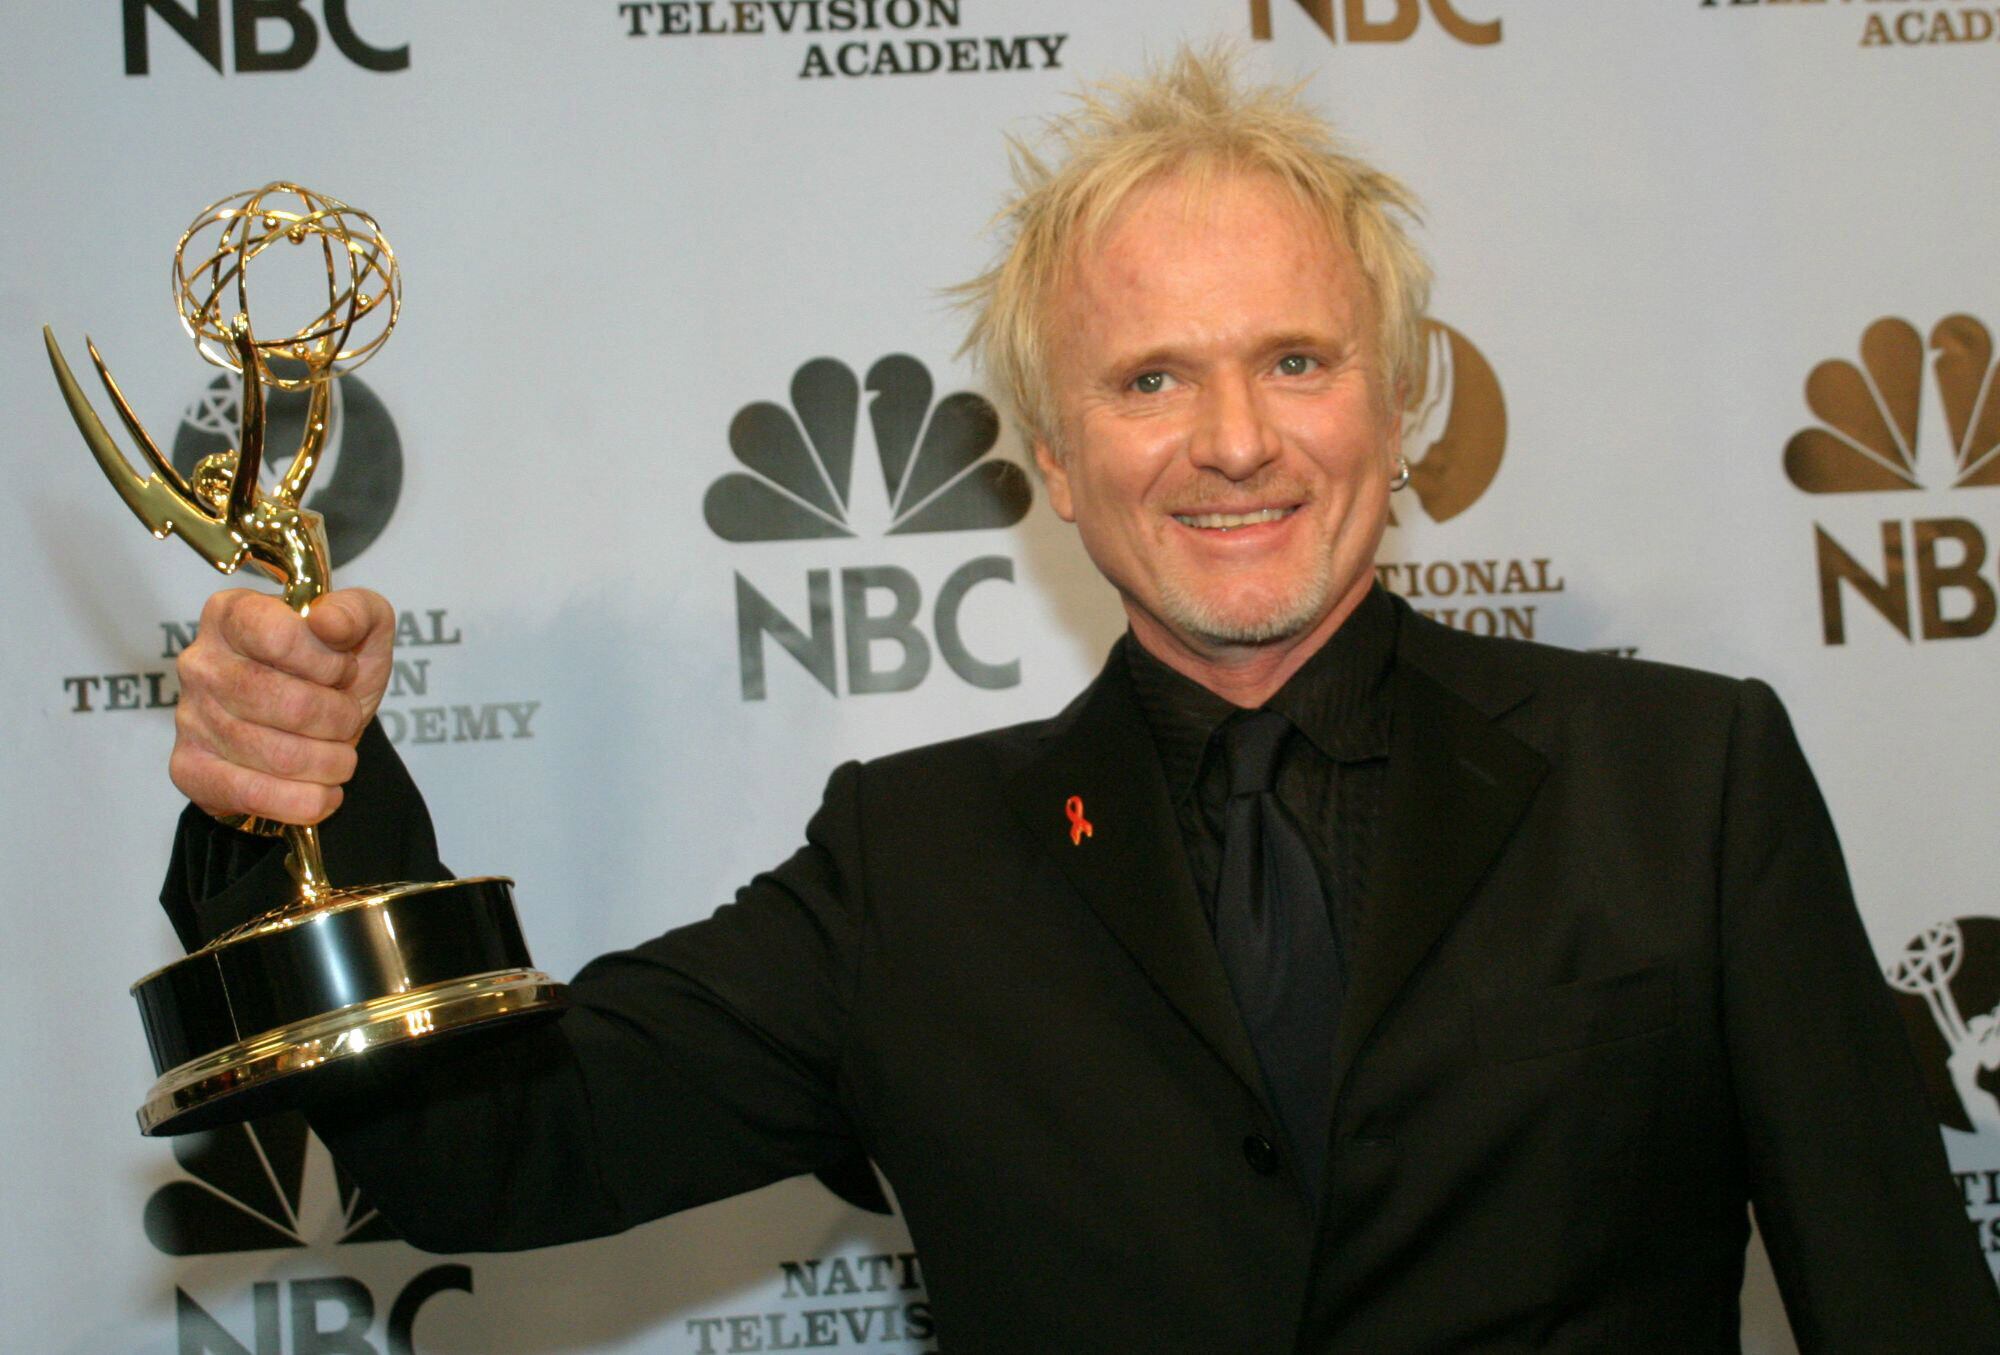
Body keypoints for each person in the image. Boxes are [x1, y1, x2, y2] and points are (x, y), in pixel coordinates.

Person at [159, 47, 2000, 1354]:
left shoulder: (1684, 780)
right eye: (1147, 380)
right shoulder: (915, 862)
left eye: (1296, 358)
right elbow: (486, 1155)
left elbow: (1900, 1299)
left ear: (1405, 400)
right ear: (1049, 454)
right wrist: (295, 804)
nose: (1234, 442)